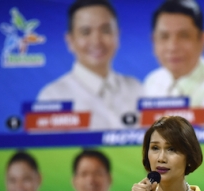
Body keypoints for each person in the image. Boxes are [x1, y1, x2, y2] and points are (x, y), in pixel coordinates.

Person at [37, 0, 142, 130]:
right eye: (85, 32)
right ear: (70, 41)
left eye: (105, 30)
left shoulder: (136, 88)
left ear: (117, 35)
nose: (96, 41)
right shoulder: (53, 97)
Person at [143, 0, 204, 107]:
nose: (172, 47)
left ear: (203, 40)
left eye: (184, 36)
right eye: (164, 36)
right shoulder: (151, 83)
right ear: (153, 40)